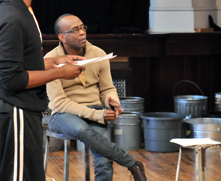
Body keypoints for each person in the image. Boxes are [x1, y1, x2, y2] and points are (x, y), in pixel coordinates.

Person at [0, 0, 87, 181]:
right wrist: (60, 73)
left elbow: (20, 64)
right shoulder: (12, 17)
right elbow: (12, 78)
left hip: (21, 111)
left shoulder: (22, 12)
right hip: (15, 112)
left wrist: (55, 61)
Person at [44, 14, 148, 181]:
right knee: (82, 129)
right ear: (62, 37)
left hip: (95, 110)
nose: (82, 33)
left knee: (104, 159)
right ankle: (132, 163)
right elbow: (59, 103)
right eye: (75, 30)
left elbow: (107, 88)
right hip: (63, 115)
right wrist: (97, 115)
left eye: (83, 27)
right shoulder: (50, 61)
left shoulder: (98, 53)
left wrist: (112, 100)